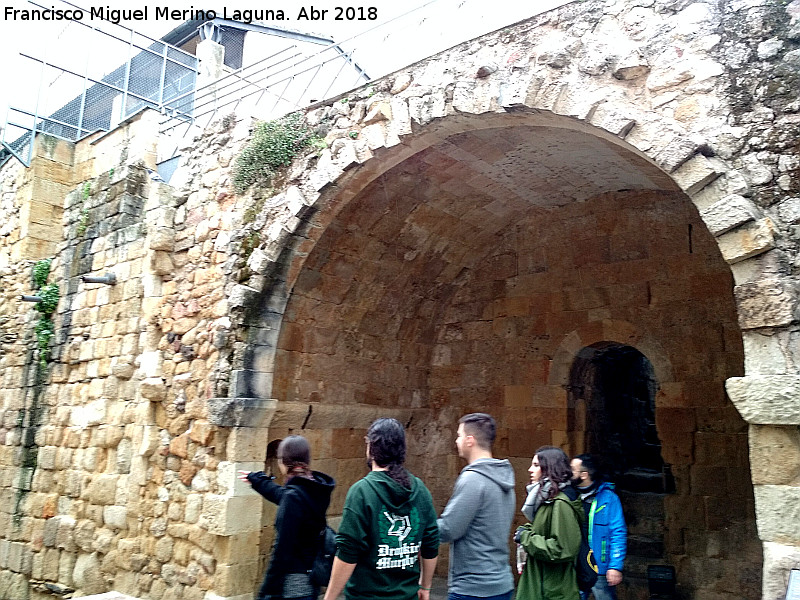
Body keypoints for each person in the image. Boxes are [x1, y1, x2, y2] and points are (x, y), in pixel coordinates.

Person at [323, 417, 440, 600]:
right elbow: (431, 543)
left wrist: (329, 597)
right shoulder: (420, 490)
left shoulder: (362, 492)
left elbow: (348, 552)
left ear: (372, 448)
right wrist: (425, 586)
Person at [238, 435, 336, 600]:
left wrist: (267, 590)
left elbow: (282, 550)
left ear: (283, 462)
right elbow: (285, 495)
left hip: (293, 586)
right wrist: (258, 481)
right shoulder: (316, 489)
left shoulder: (294, 497)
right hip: (311, 580)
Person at [437, 413, 515, 600]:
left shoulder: (473, 479)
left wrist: (419, 523)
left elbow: (448, 529)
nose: (456, 441)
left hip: (473, 588)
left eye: (459, 436)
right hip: (501, 582)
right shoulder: (505, 477)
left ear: (470, 440)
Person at [514, 446, 584, 600]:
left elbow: (563, 548)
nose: (530, 470)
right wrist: (527, 530)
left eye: (536, 465)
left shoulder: (560, 503)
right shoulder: (547, 499)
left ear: (549, 469)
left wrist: (526, 538)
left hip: (552, 590)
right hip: (542, 584)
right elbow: (545, 530)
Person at [571, 454, 627, 600]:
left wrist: (615, 566)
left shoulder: (609, 498)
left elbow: (618, 532)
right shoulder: (569, 495)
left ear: (584, 475)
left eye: (572, 470)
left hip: (599, 566)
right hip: (575, 566)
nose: (568, 473)